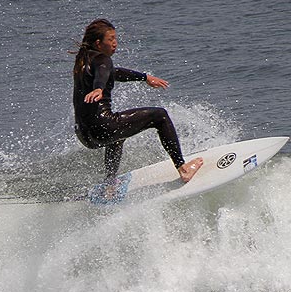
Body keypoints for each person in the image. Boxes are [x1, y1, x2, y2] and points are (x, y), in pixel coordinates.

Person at [72, 18, 203, 185]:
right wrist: (98, 88)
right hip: (104, 127)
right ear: (98, 43)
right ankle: (183, 169)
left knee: (117, 136)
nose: (115, 43)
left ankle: (110, 183)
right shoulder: (103, 60)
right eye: (111, 39)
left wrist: (144, 77)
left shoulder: (83, 61)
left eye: (115, 38)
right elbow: (103, 73)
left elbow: (113, 73)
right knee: (160, 116)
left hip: (85, 135)